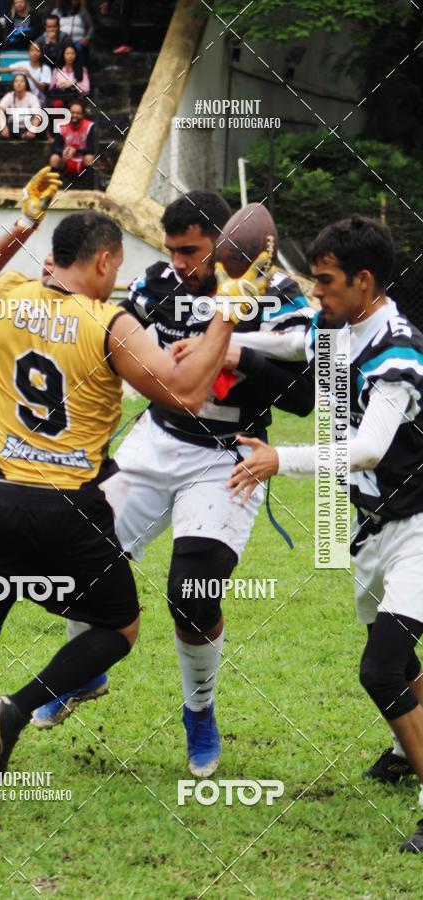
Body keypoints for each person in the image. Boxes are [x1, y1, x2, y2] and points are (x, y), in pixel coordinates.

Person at [0, 167, 264, 841]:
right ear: (100, 262)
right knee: (120, 627)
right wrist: (228, 309)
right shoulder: (109, 323)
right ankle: (18, 706)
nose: (117, 279)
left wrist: (20, 225)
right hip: (66, 509)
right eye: (114, 267)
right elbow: (184, 391)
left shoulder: (7, 293)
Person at [31, 191, 316, 779]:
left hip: (225, 456)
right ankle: (85, 671)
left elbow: (308, 394)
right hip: (157, 441)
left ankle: (200, 712)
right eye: (172, 250)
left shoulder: (278, 292)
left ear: (227, 241)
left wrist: (237, 351)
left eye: (193, 250)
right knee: (79, 556)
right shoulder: (156, 284)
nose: (181, 262)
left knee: (193, 595)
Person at [227, 214, 423, 854]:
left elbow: (367, 449)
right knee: (393, 652)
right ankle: (404, 748)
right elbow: (295, 340)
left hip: (418, 525)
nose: (318, 294)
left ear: (364, 282)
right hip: (373, 528)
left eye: (328, 283)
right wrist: (228, 341)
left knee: (382, 667)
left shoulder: (398, 350)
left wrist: (280, 459)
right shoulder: (341, 326)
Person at [49, 99, 95, 183]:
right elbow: (55, 147)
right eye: (72, 113)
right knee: (54, 158)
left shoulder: (90, 126)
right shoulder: (61, 125)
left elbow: (93, 148)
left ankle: (89, 187)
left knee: (89, 158)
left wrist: (76, 151)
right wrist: (63, 151)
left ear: (83, 114)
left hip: (82, 157)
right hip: (67, 157)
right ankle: (54, 185)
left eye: (78, 113)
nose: (75, 115)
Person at [0, 41, 51, 105]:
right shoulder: (23, 64)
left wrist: (30, 76)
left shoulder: (45, 68)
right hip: (21, 99)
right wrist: (16, 69)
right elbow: (0, 70)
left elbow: (43, 89)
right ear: (28, 53)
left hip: (38, 100)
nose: (34, 53)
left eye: (37, 50)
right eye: (32, 50)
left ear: (41, 53)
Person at [0, 72, 41, 140]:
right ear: (13, 84)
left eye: (22, 81)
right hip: (11, 127)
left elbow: (37, 115)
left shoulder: (32, 97)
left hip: (27, 126)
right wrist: (4, 127)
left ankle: (24, 136)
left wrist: (32, 131)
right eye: (16, 81)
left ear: (26, 84)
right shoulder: (9, 96)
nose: (19, 83)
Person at [51, 0, 93, 65]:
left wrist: (87, 38)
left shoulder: (82, 12)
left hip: (78, 41)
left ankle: (80, 70)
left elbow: (91, 27)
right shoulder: (57, 12)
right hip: (62, 40)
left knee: (79, 48)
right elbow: (50, 26)